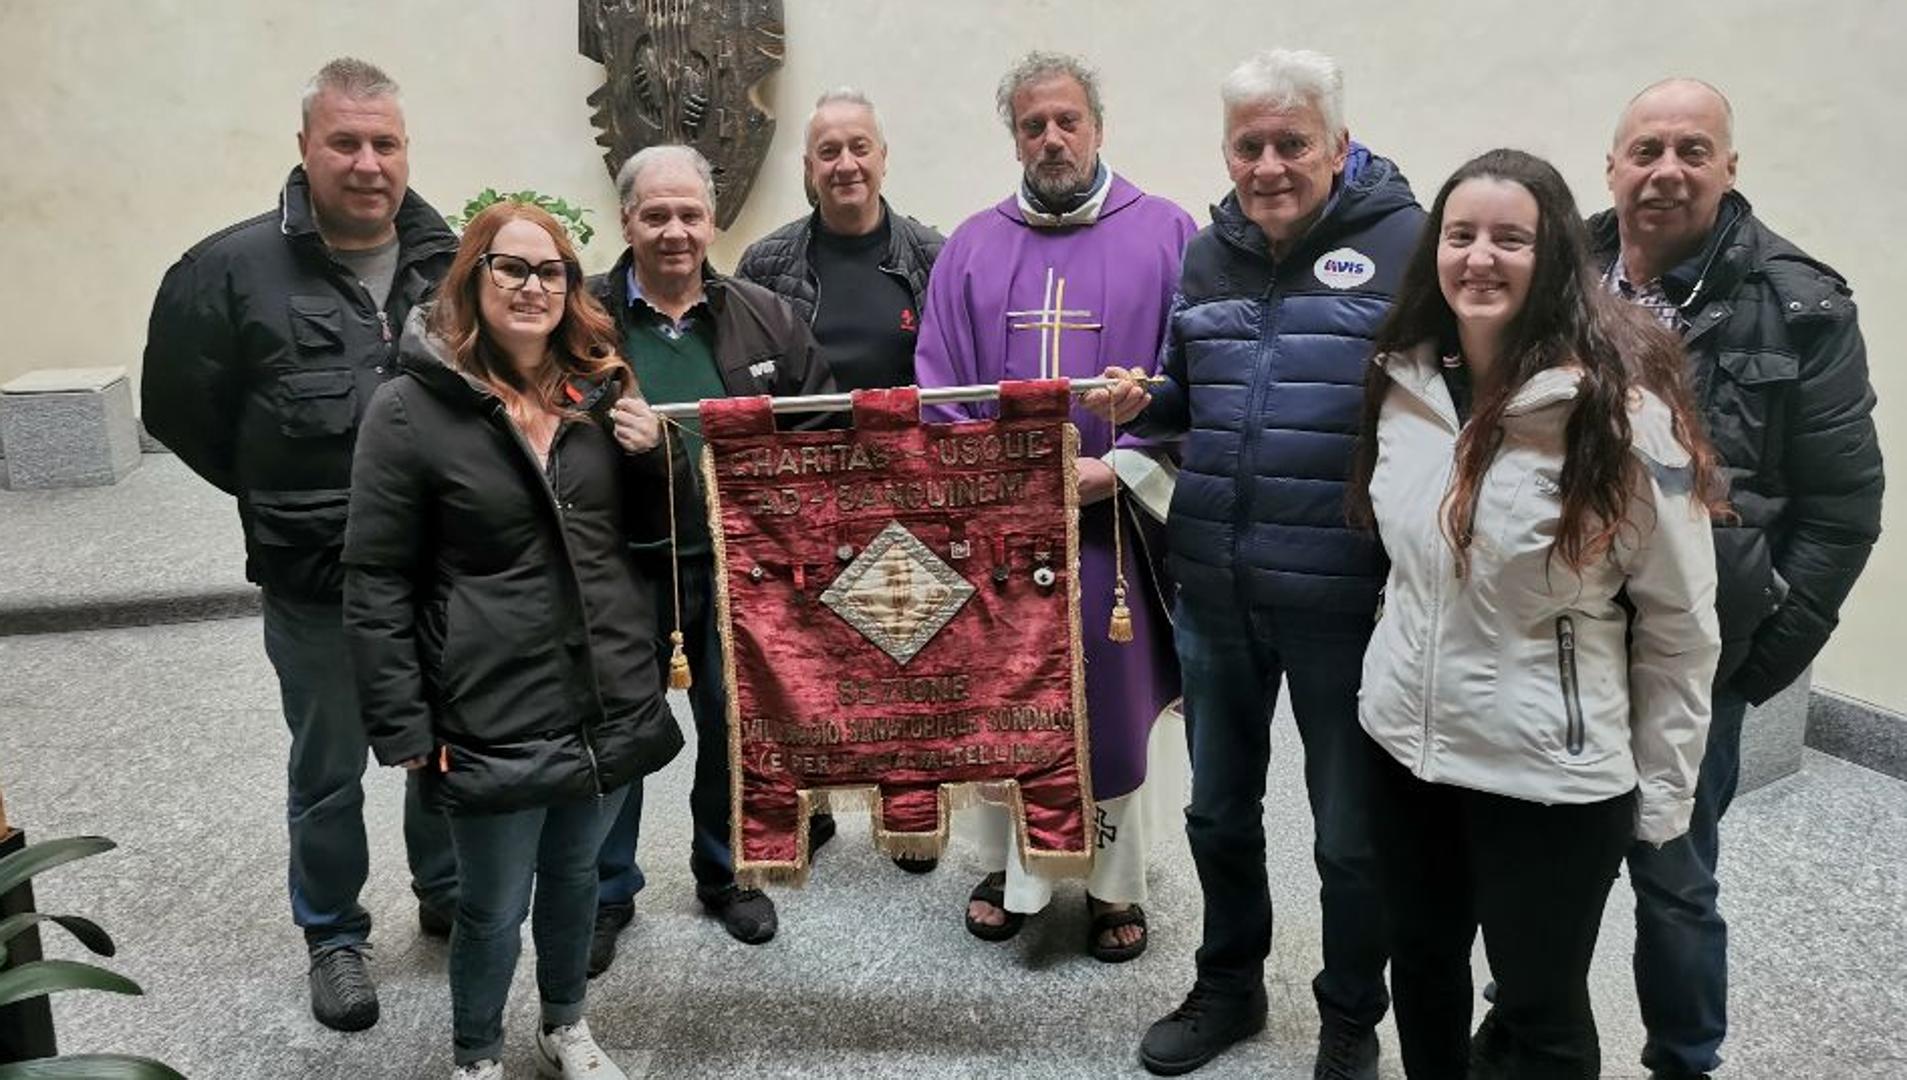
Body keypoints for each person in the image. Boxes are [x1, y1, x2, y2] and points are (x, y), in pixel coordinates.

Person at [1346, 147, 1725, 1078]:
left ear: (1551, 254)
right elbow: (1404, 571)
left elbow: (1679, 625)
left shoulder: (1619, 412)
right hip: (1403, 750)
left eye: (1509, 239)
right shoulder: (1403, 384)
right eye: (1460, 235)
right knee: (1421, 969)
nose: (1479, 257)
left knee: (1540, 1010)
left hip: (1546, 772)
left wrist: (1663, 791)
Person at [1095, 48, 1423, 1077]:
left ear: (1336, 145)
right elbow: (1189, 394)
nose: (1268, 165)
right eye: (1249, 145)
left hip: (1341, 594)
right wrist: (1146, 399)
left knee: (1348, 835)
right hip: (1214, 587)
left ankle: (1348, 1017)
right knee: (1217, 812)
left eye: (1291, 142)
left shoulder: (1406, 245)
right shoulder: (1209, 254)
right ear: (1226, 150)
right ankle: (1228, 986)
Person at [139, 57, 457, 1033]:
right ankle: (334, 936)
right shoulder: (226, 272)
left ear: (405, 150)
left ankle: (446, 893)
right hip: (317, 580)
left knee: (445, 745)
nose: (367, 163)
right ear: (305, 148)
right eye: (344, 142)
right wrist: (281, 500)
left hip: (443, 573)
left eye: (384, 143)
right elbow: (180, 415)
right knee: (328, 767)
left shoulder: (452, 266)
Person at [343, 201, 680, 1080]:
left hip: (605, 687)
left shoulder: (598, 389)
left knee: (577, 878)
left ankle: (564, 1026)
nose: (533, 287)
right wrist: (401, 721)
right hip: (490, 699)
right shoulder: (409, 408)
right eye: (512, 267)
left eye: (551, 271)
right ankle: (477, 1057)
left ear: (571, 287)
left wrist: (656, 456)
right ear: (473, 277)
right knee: (490, 906)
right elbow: (375, 578)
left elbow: (652, 536)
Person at [1590, 79, 1886, 1080]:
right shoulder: (1560, 273)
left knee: (1673, 878)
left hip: (1696, 657)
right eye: (1645, 150)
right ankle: (1528, 1031)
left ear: (1728, 166)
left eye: (1691, 150)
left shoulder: (1797, 305)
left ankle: (1683, 1060)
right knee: (1544, 861)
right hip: (1559, 641)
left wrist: (1759, 656)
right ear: (1611, 166)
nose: (1665, 170)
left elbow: (1842, 508)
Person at [914, 51, 1190, 965]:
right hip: (1005, 529)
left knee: (1112, 701)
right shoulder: (970, 248)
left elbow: (1193, 379)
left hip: (1119, 528)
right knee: (1007, 700)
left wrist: (1121, 467)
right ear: (1014, 139)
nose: (1052, 139)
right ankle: (1013, 873)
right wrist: (1005, 477)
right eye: (1033, 125)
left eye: (1067, 120)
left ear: (1097, 127)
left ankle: (1115, 885)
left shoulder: (1167, 234)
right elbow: (938, 388)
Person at [585, 145, 837, 975]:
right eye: (655, 214)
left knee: (734, 725)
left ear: (713, 221)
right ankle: (604, 891)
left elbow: (818, 433)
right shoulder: (579, 322)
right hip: (619, 566)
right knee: (617, 730)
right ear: (626, 220)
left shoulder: (768, 317)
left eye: (689, 214)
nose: (674, 231)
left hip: (737, 566)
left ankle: (727, 872)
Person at [734, 86, 945, 874]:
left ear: (883, 158)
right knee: (811, 652)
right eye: (829, 151)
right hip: (804, 491)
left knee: (906, 650)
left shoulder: (932, 255)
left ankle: (908, 804)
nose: (845, 164)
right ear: (808, 166)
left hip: (908, 488)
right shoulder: (766, 264)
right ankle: (814, 798)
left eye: (859, 147)